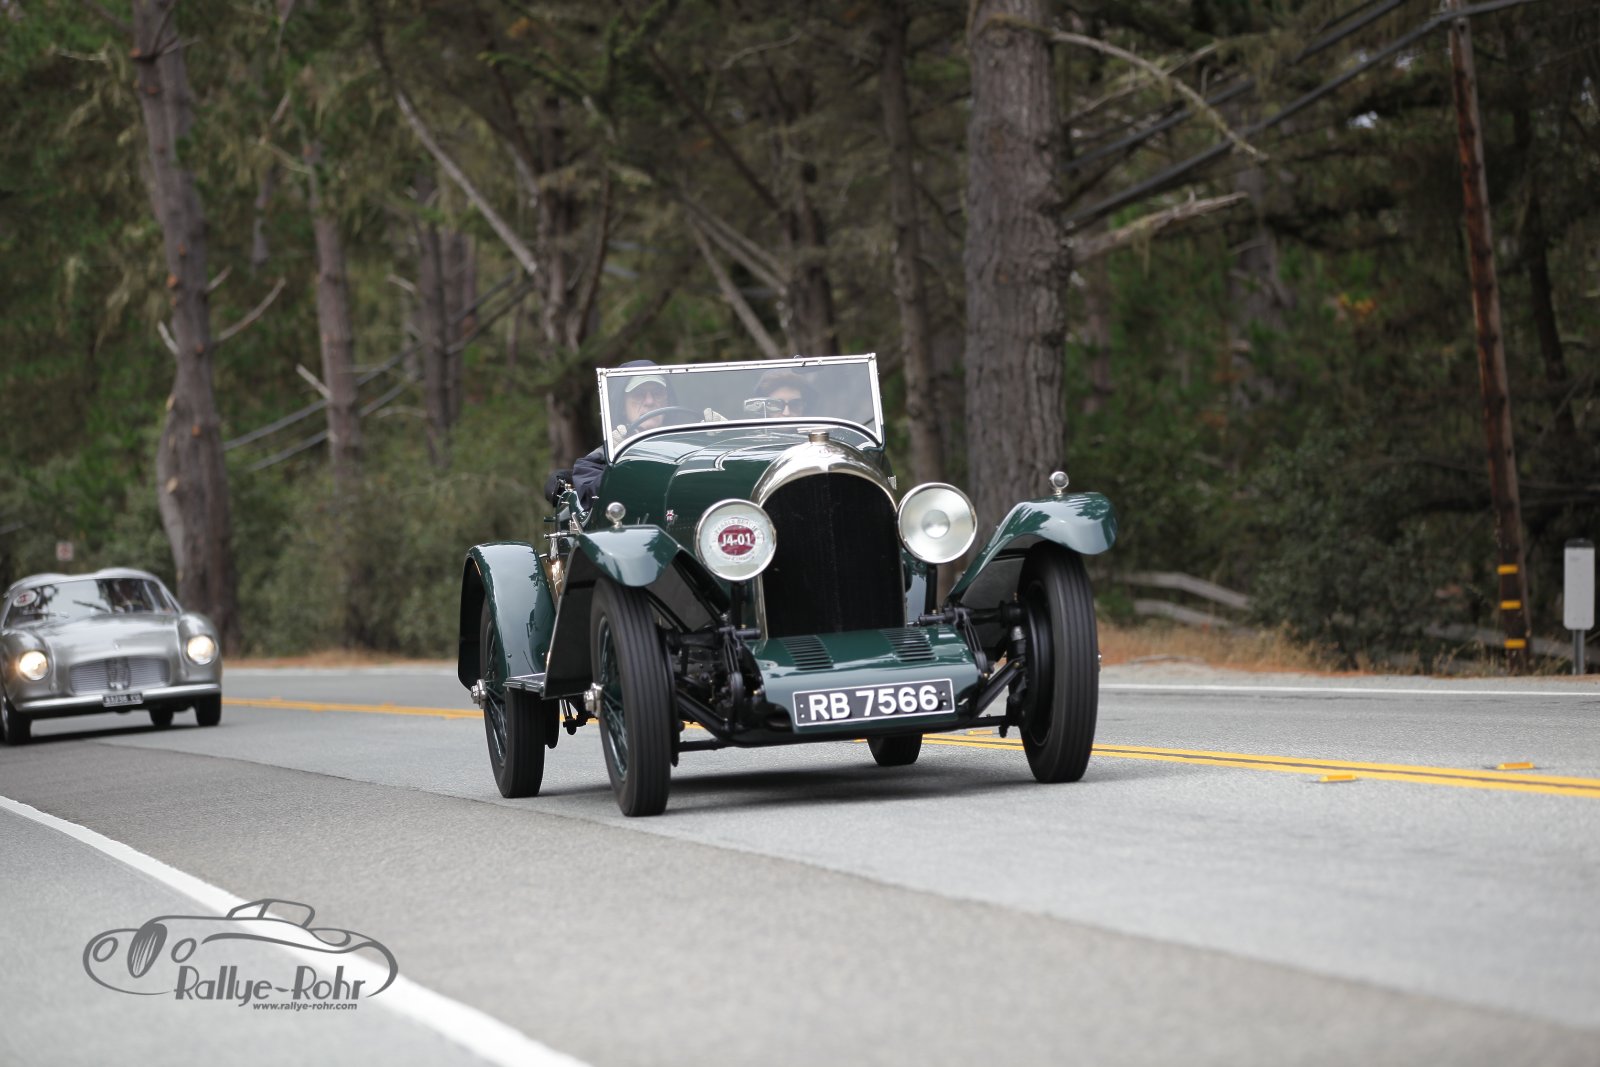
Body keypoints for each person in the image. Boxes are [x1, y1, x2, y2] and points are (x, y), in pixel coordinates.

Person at [547, 360, 676, 510]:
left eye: (658, 393)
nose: (650, 401)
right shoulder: (598, 460)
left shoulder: (689, 447)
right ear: (622, 407)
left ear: (667, 400)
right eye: (639, 394)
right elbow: (592, 499)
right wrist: (618, 459)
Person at [748, 368, 818, 418]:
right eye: (776, 405)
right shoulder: (747, 433)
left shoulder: (819, 432)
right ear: (764, 408)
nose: (786, 413)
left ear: (805, 407)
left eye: (795, 405)